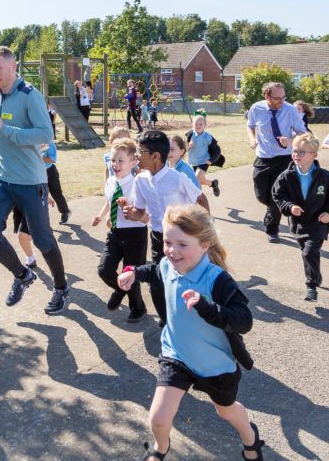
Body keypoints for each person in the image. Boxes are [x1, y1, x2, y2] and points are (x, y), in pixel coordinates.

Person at [117, 205, 264, 461]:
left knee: (226, 411)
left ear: (204, 245)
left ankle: (251, 439)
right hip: (176, 355)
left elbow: (244, 321)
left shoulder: (217, 279)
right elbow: (155, 271)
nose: (172, 250)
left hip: (215, 364)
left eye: (182, 244)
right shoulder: (167, 265)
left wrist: (208, 308)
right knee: (158, 418)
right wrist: (134, 272)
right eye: (167, 242)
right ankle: (160, 447)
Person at [0, 45, 70, 316]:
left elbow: (45, 134)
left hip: (30, 181)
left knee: (43, 241)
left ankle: (61, 287)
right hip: (1, 177)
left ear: (13, 66)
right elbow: (3, 129)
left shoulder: (30, 96)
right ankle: (22, 275)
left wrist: (5, 131)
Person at [273, 133, 329, 302]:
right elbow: (278, 195)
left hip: (318, 222)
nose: (296, 155)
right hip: (298, 223)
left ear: (314, 155)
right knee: (307, 252)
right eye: (294, 151)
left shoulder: (326, 177)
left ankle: (311, 286)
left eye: (301, 152)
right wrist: (290, 207)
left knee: (309, 251)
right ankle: (316, 276)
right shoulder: (286, 176)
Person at [123, 130, 209, 264]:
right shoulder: (140, 180)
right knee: (159, 272)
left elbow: (201, 198)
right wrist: (131, 213)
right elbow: (140, 213)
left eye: (140, 151)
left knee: (183, 270)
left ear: (155, 156)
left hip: (182, 236)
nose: (136, 155)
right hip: (158, 237)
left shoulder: (177, 178)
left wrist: (206, 227)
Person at [91, 138, 148, 322]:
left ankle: (138, 308)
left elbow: (146, 215)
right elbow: (109, 201)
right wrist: (101, 216)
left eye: (120, 161)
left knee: (130, 275)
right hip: (115, 232)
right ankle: (119, 289)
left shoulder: (139, 184)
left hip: (136, 235)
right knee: (104, 269)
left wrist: (133, 212)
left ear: (133, 162)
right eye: (113, 160)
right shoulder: (110, 182)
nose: (115, 164)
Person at [247, 82, 308, 242]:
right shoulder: (256, 108)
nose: (281, 101)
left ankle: (272, 229)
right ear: (267, 96)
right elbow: (250, 125)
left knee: (277, 195)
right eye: (277, 98)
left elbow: (302, 132)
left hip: (284, 157)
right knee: (261, 195)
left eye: (283, 97)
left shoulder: (290, 110)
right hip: (263, 157)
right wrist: (252, 139)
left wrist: (290, 140)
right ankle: (273, 209)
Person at [186, 109, 221, 197]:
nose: (198, 126)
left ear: (205, 125)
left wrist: (211, 160)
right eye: (196, 124)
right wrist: (188, 145)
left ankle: (199, 199)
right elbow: (183, 148)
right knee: (201, 180)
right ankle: (213, 184)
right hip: (193, 162)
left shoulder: (208, 137)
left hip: (204, 161)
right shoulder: (190, 135)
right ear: (192, 125)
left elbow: (217, 150)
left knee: (197, 179)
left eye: (200, 124)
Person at [42, 141, 72, 224]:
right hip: (36, 172)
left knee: (56, 194)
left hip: (49, 172)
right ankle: (42, 221)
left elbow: (52, 159)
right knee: (39, 196)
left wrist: (36, 157)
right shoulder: (31, 141)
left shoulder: (49, 142)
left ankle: (65, 212)